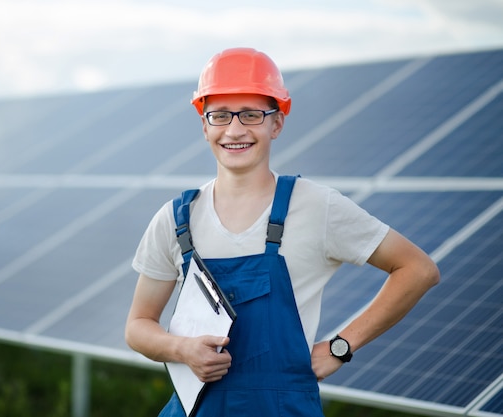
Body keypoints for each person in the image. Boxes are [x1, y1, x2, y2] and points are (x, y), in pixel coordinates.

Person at [125, 47, 440, 416]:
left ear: (277, 123)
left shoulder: (318, 207)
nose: (235, 129)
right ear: (205, 125)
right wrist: (181, 350)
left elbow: (418, 270)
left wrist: (342, 345)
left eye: (252, 114)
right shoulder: (176, 219)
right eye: (221, 115)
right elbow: (138, 326)